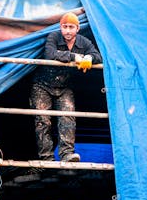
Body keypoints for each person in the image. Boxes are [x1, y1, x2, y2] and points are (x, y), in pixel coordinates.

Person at [30, 12, 102, 162]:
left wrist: (90, 57)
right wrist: (73, 57)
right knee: (43, 120)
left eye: (71, 27)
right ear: (60, 27)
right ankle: (46, 158)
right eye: (65, 27)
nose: (68, 30)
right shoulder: (54, 37)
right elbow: (50, 54)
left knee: (68, 118)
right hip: (42, 85)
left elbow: (98, 55)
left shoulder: (84, 42)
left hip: (64, 87)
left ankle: (67, 154)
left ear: (78, 28)